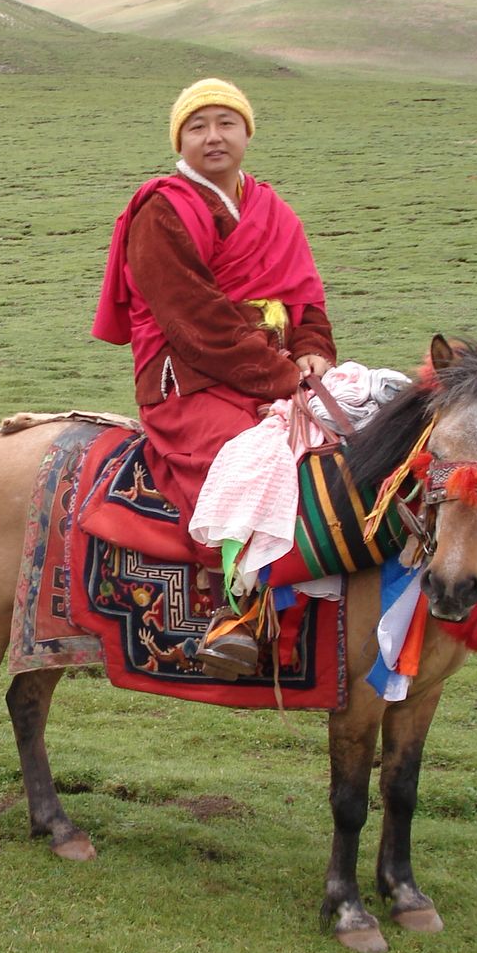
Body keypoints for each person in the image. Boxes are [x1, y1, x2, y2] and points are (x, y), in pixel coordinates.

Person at [92, 78, 335, 674]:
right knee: (244, 461)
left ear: (248, 133)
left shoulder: (273, 210)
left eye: (226, 122)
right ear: (181, 140)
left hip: (270, 369)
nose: (213, 136)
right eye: (197, 126)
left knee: (348, 448)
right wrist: (281, 377)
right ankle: (237, 613)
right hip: (189, 377)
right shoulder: (163, 208)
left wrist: (311, 350)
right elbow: (193, 318)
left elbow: (304, 296)